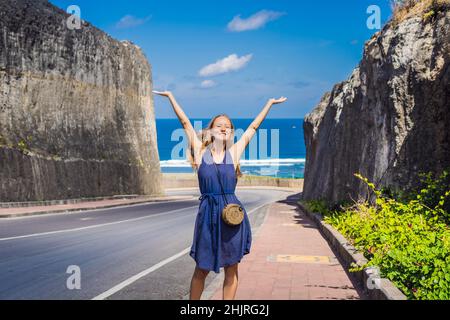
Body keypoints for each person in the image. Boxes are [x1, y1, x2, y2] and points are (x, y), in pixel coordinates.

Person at [153, 90, 287, 300]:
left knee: (231, 269)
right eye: (219, 125)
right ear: (210, 131)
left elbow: (253, 127)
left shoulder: (234, 153)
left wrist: (269, 103)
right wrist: (170, 97)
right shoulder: (199, 152)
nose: (224, 127)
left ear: (231, 132)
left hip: (232, 216)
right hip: (207, 215)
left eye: (228, 126)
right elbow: (185, 123)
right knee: (201, 269)